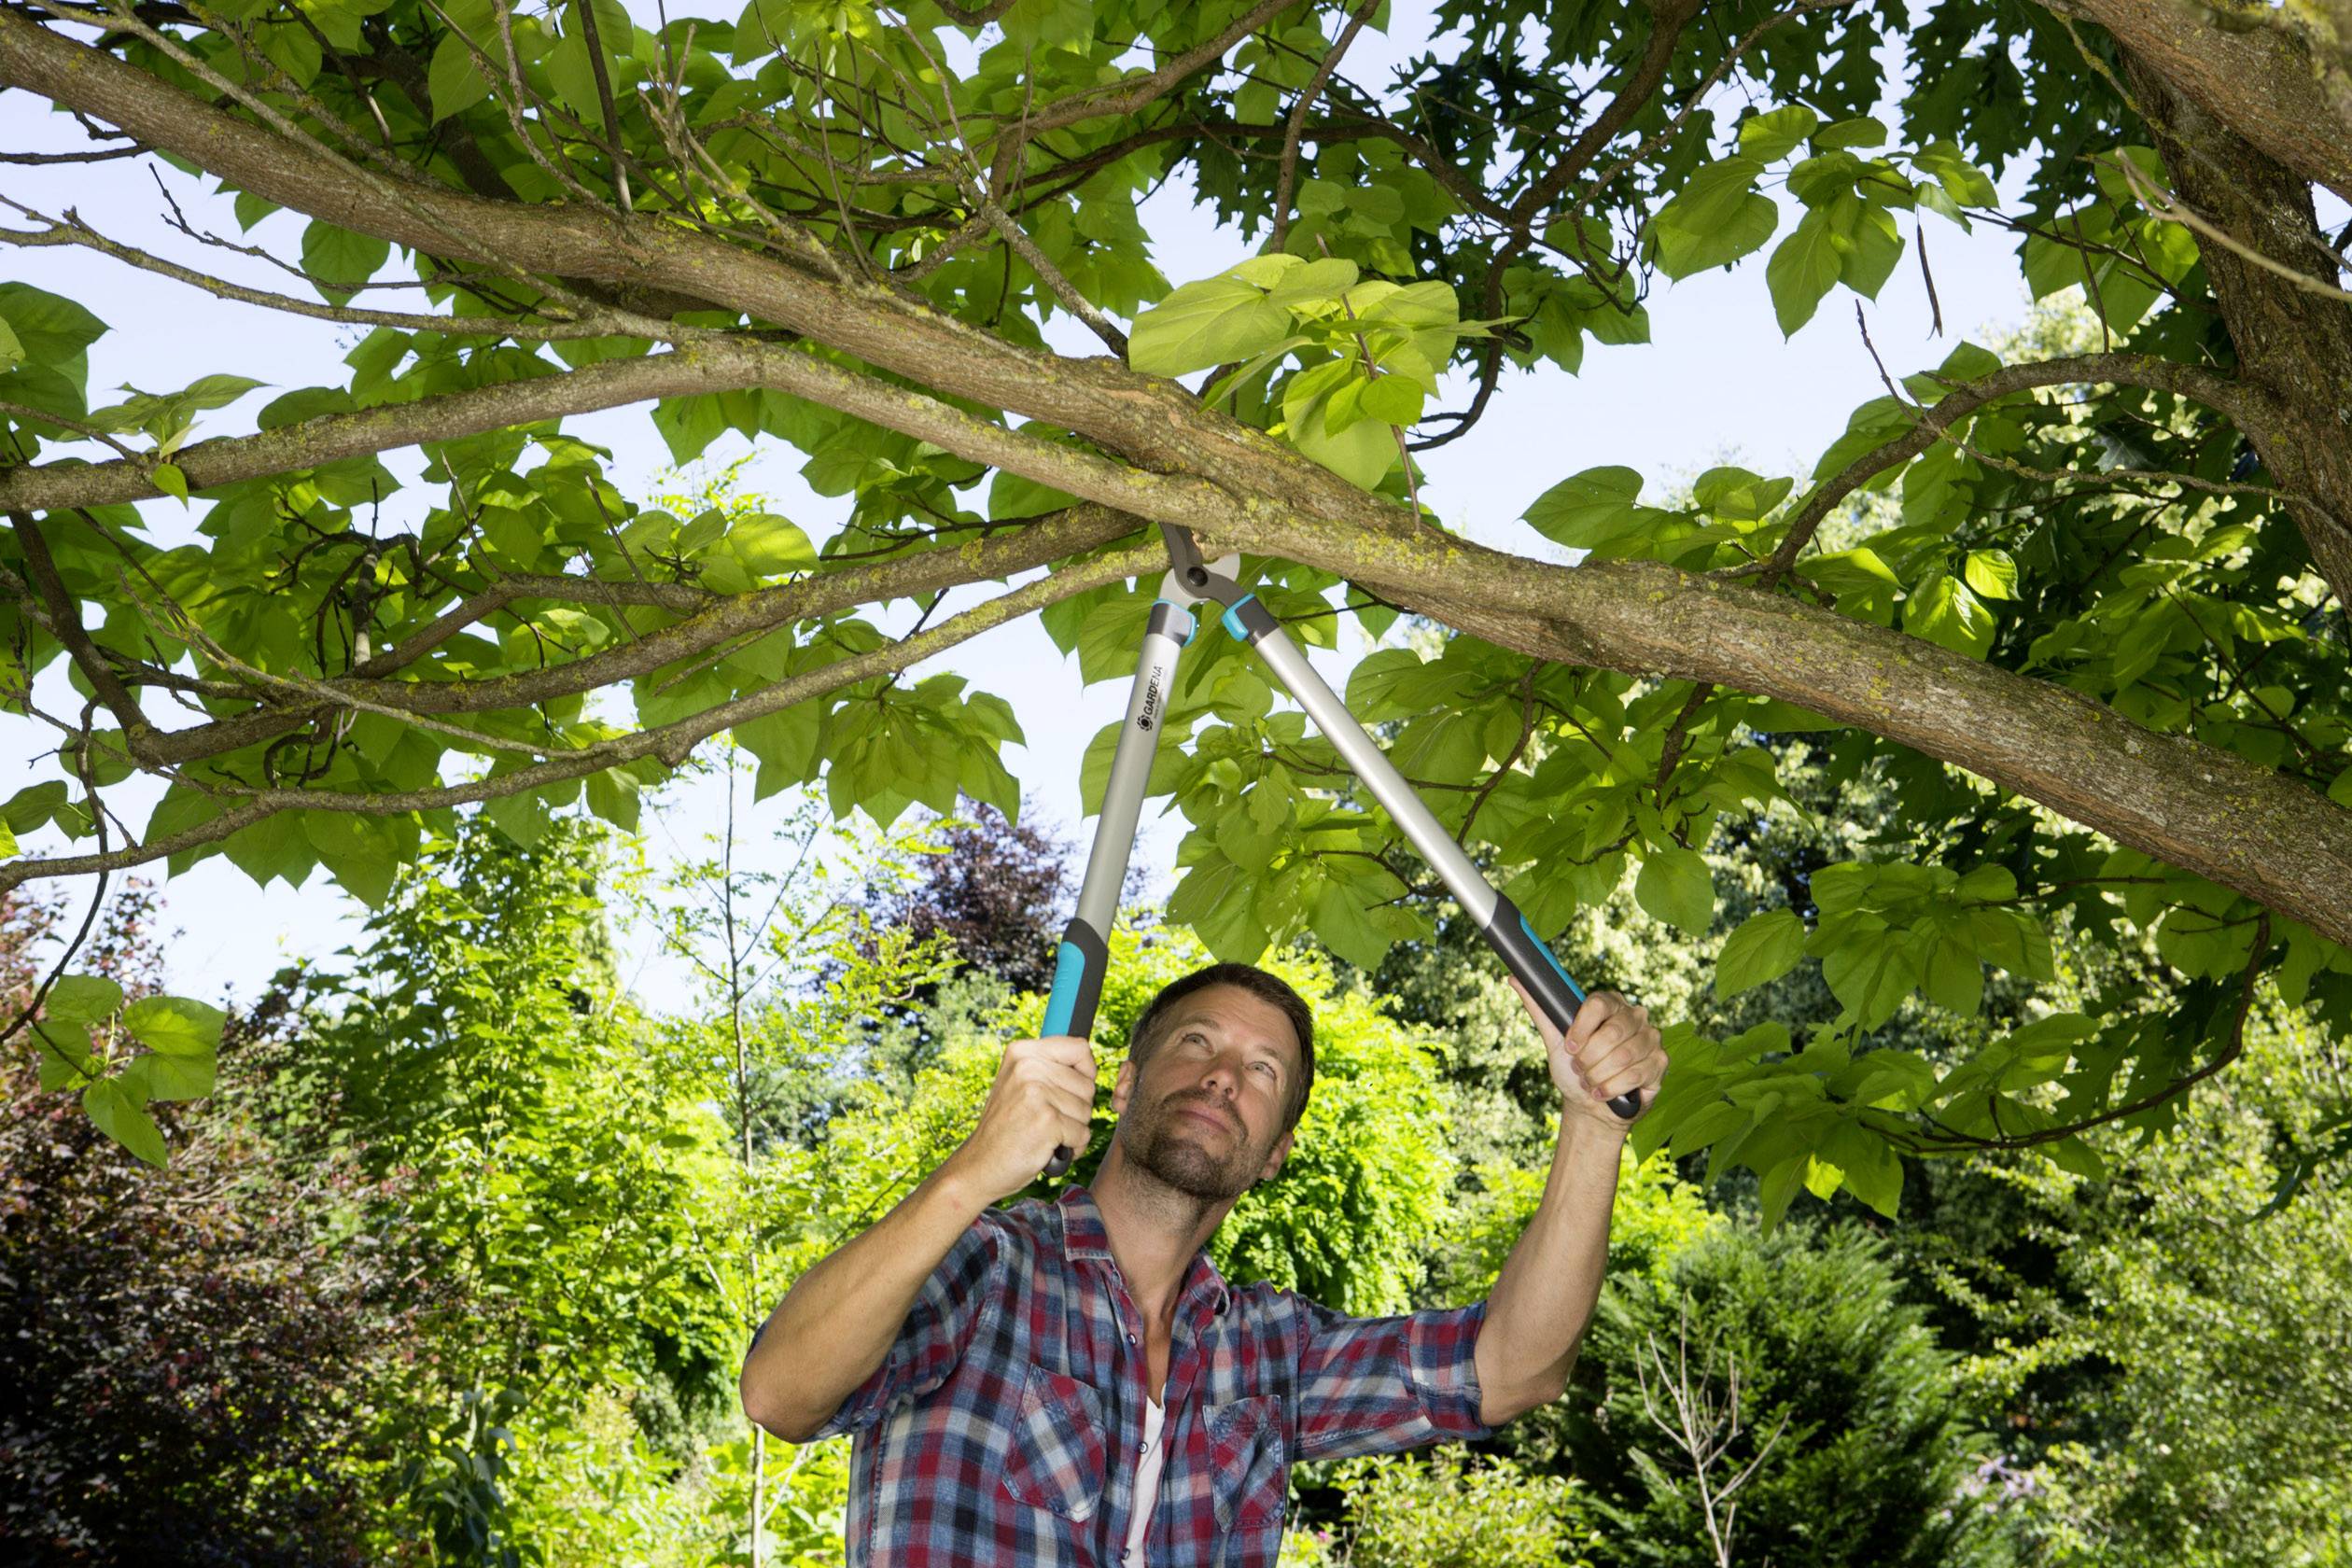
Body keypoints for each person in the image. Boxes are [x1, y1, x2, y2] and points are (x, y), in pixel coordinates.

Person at [740, 960, 1669, 1566]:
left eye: (1263, 1071)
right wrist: (975, 1172)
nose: (1224, 1074)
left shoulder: (1271, 1352)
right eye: (1196, 1043)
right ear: (1128, 1082)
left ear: (1275, 1154)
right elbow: (781, 1393)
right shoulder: (983, 1264)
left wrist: (1592, 1126)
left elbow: (1513, 1368)